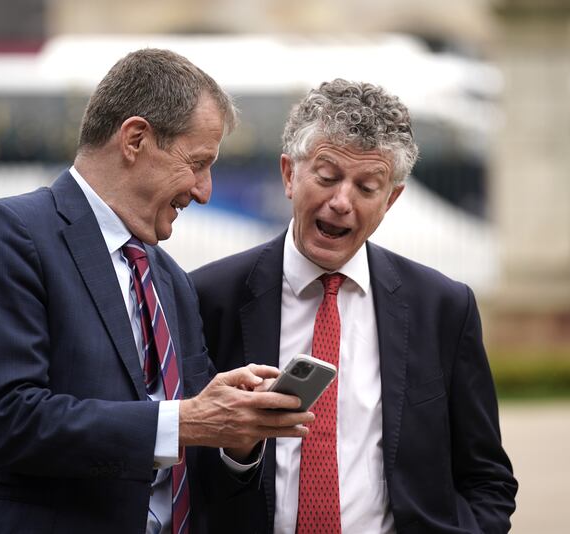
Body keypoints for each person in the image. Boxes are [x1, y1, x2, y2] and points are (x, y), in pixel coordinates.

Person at [0, 48, 313, 534]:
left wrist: (236, 435)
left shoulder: (169, 280)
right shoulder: (8, 234)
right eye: (197, 163)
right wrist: (185, 421)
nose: (205, 189)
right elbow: (9, 421)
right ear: (134, 139)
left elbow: (184, 444)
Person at [191, 79, 518, 533]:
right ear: (289, 174)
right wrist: (237, 449)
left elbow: (487, 477)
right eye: (326, 177)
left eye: (367, 186)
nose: (341, 202)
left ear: (391, 199)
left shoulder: (443, 307)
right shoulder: (208, 298)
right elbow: (179, 466)